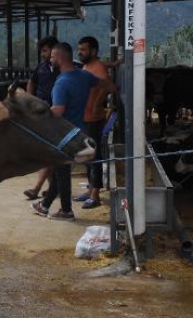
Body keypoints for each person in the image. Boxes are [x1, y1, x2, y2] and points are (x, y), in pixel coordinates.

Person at [31, 42, 114, 221]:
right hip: (80, 130)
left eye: (52, 57)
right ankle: (44, 205)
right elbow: (104, 84)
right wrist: (110, 99)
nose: (50, 60)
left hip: (64, 134)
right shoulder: (83, 75)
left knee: (62, 172)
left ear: (60, 58)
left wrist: (40, 114)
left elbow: (58, 110)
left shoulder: (62, 83)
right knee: (61, 170)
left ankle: (66, 211)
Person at [74, 36, 111, 209]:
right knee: (87, 155)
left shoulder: (99, 67)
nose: (80, 52)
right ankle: (90, 190)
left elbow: (107, 87)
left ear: (93, 51)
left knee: (95, 156)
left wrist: (97, 105)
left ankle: (95, 196)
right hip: (84, 118)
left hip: (94, 120)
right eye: (79, 49)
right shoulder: (87, 66)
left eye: (83, 49)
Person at [23, 35, 59, 201]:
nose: (43, 54)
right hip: (41, 112)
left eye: (45, 50)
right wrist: (30, 101)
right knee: (46, 151)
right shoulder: (41, 67)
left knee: (47, 152)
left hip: (55, 114)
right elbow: (31, 82)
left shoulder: (63, 68)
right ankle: (53, 188)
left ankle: (36, 189)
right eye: (42, 51)